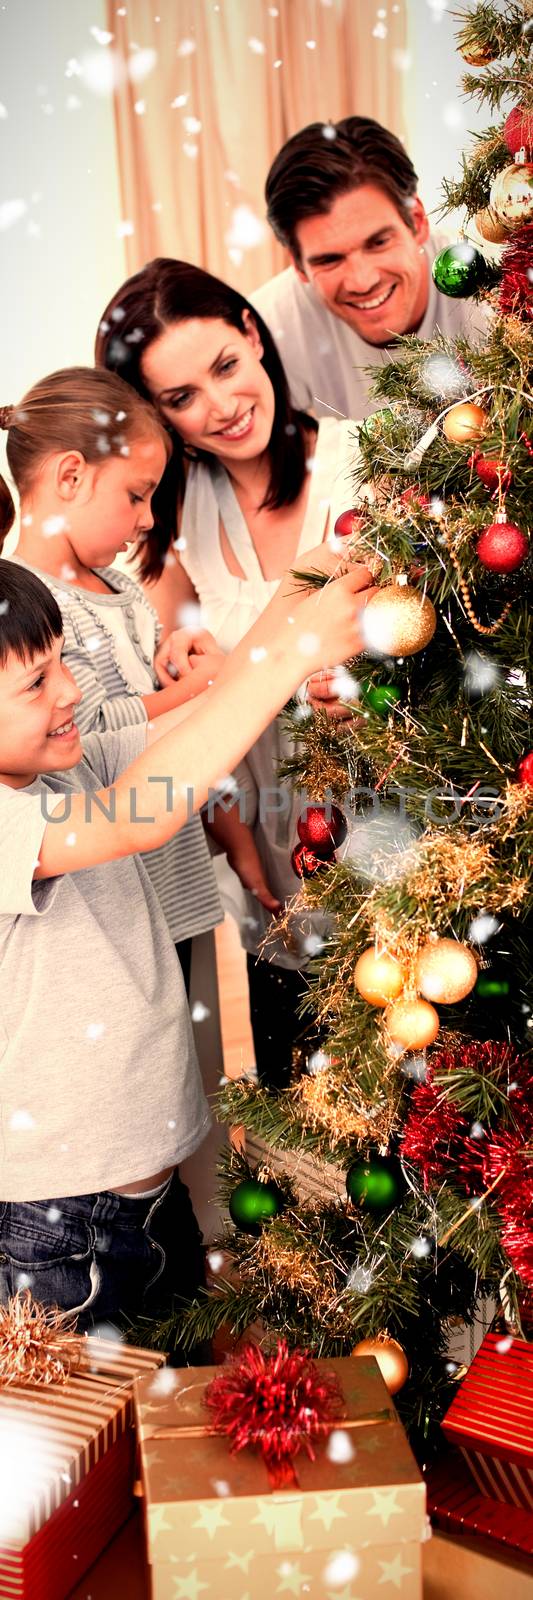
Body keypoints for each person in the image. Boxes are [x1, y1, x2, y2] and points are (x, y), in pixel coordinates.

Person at [0, 542, 374, 1329]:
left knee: (164, 1402)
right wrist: (296, 651)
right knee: (94, 1440)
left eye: (61, 661)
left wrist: (291, 599)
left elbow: (205, 726)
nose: (69, 691)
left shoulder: (53, 767)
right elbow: (138, 814)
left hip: (140, 1195)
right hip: (56, 1228)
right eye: (36, 683)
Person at [96, 259, 364, 1088]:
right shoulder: (174, 514)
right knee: (302, 1112)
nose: (220, 407)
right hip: (272, 865)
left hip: (392, 835)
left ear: (253, 336)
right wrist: (184, 658)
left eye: (223, 367)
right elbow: (176, 666)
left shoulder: (363, 465)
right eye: (181, 399)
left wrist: (338, 682)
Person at [1, 370, 279, 1001]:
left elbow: (179, 739)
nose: (148, 518)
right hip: (112, 899)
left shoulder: (125, 592)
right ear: (70, 477)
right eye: (136, 495)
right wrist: (209, 687)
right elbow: (95, 740)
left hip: (181, 884)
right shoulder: (25, 611)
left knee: (195, 1068)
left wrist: (180, 667)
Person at [250, 115, 490, 422]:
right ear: (297, 264)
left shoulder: (496, 287)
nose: (362, 281)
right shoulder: (269, 327)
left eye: (378, 242)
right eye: (329, 260)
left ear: (417, 221)